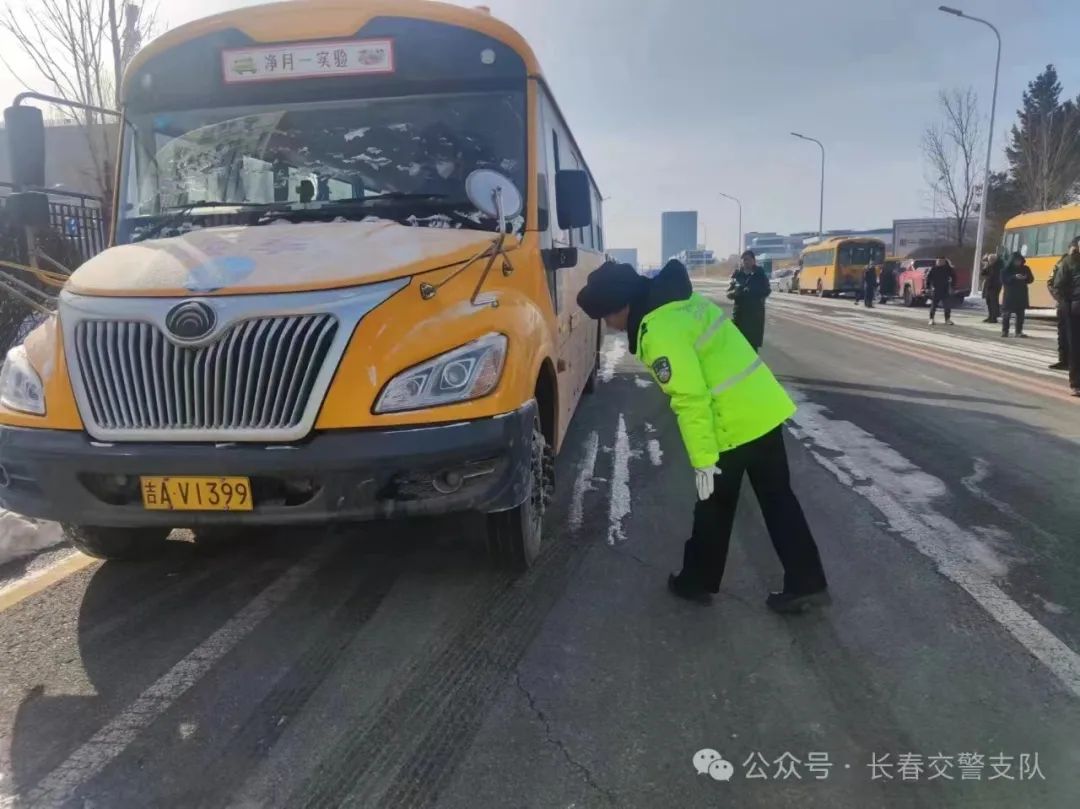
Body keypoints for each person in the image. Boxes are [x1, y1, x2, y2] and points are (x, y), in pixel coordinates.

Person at [576, 259, 830, 613]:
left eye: (607, 317)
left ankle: (695, 581)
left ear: (622, 306)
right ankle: (808, 581)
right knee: (778, 499)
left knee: (713, 505)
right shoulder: (685, 303)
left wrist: (704, 461)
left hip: (731, 422)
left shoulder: (659, 329)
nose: (611, 326)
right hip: (764, 409)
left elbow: (691, 399)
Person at [1050, 237, 1080, 395]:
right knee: (1075, 347)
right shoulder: (1069, 262)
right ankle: (1076, 383)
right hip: (1074, 310)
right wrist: (1065, 305)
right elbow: (1058, 285)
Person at [726, 250, 771, 352]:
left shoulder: (759, 274)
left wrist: (751, 291)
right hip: (739, 315)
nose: (746, 262)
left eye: (748, 259)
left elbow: (767, 290)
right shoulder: (737, 275)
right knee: (738, 346)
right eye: (744, 260)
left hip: (754, 316)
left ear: (753, 261)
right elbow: (729, 291)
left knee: (752, 347)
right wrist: (735, 293)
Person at [1001, 251, 1034, 338]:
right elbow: (1004, 280)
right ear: (1012, 260)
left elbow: (1031, 279)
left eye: (1019, 260)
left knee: (1020, 314)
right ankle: (1005, 331)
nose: (1018, 262)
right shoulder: (1006, 269)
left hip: (1021, 294)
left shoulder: (1025, 268)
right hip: (1010, 295)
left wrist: (1026, 277)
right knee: (1006, 314)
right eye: (1016, 260)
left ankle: (1018, 331)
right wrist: (1014, 277)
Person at [927, 257, 956, 326]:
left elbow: (954, 277)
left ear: (944, 261)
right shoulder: (933, 269)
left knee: (947, 306)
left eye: (941, 261)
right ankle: (931, 319)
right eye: (938, 260)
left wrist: (952, 286)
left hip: (945, 289)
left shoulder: (948, 269)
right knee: (933, 305)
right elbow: (928, 278)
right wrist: (928, 287)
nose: (939, 262)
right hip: (936, 289)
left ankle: (947, 319)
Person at [981, 253, 1004, 325]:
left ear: (994, 260)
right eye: (989, 260)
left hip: (995, 287)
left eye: (991, 260)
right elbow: (983, 273)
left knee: (993, 302)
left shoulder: (998, 267)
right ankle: (990, 316)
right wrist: (985, 266)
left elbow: (994, 276)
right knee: (988, 302)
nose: (990, 261)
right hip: (989, 286)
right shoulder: (989, 266)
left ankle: (994, 318)